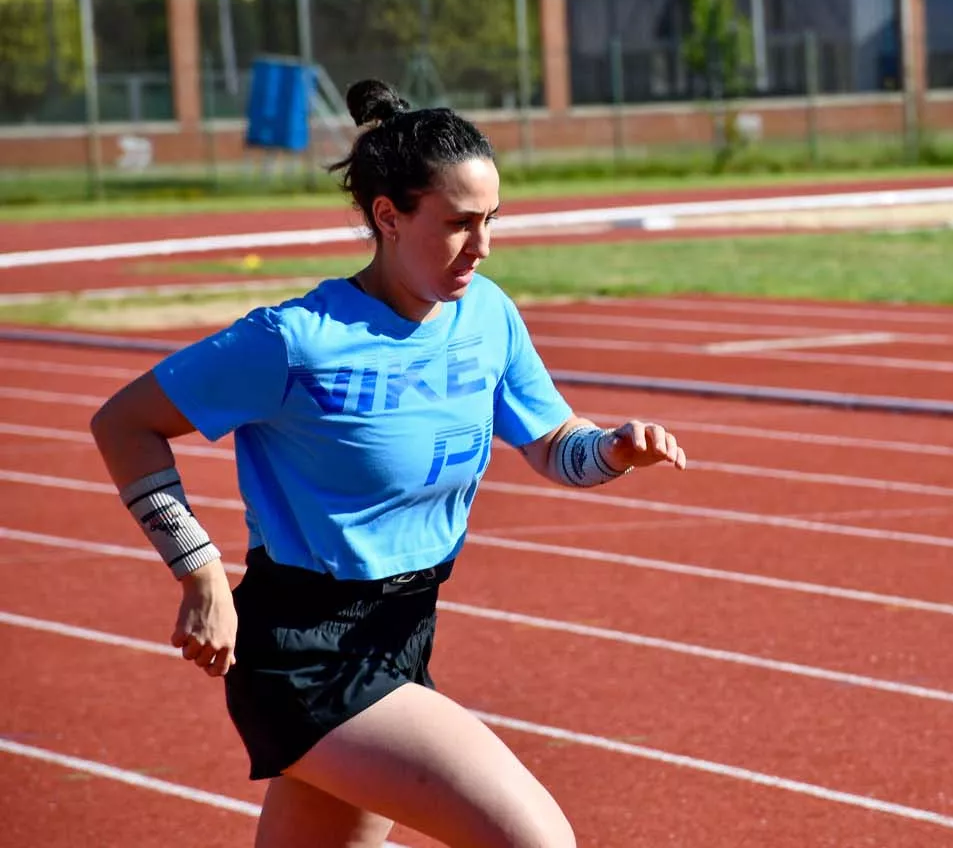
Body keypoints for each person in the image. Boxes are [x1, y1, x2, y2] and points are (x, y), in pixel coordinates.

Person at [89, 79, 688, 848]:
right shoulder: (294, 339)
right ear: (388, 217)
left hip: (404, 632)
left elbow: (551, 445)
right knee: (537, 841)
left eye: (492, 222)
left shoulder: (488, 315)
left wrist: (611, 449)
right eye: (458, 224)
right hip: (305, 652)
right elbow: (125, 423)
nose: (483, 246)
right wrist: (199, 570)